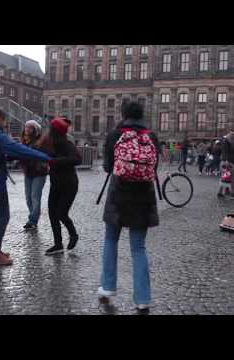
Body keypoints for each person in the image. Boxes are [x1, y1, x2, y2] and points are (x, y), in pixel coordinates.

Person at [98, 101, 159, 315]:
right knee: (138, 248)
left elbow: (107, 167)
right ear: (142, 114)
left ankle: (107, 287)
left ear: (123, 115)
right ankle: (142, 300)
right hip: (143, 197)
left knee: (110, 240)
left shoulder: (115, 135)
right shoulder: (151, 136)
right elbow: (154, 167)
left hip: (119, 194)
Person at [0, 109, 51, 265]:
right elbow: (21, 150)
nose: (6, 123)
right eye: (5, 120)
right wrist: (47, 158)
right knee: (2, 217)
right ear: (1, 119)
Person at [37, 118, 82, 255]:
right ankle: (58, 244)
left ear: (54, 131)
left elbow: (77, 159)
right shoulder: (48, 142)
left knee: (61, 213)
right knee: (52, 214)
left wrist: (54, 161)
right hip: (56, 183)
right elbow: (36, 149)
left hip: (69, 184)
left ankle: (73, 235)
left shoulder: (66, 143)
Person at [20, 120, 48, 230]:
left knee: (35, 197)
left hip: (39, 172)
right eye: (26, 127)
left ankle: (32, 220)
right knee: (28, 198)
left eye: (30, 128)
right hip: (28, 172)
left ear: (35, 130)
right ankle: (33, 219)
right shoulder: (23, 141)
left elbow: (43, 155)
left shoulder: (40, 141)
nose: (27, 129)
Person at [220, 132, 234, 199]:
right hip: (227, 162)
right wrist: (226, 160)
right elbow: (228, 150)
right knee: (232, 178)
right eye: (232, 135)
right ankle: (232, 193)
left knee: (225, 177)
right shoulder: (228, 141)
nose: (233, 136)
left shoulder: (228, 141)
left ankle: (221, 192)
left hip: (227, 161)